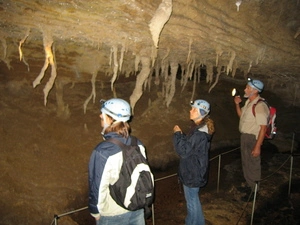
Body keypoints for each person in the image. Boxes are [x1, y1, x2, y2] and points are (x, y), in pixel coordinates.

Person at [88, 98, 146, 225]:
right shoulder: (137, 143)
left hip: (113, 215)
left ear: (110, 119)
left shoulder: (103, 151)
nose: (100, 115)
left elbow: (97, 185)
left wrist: (95, 211)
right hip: (137, 206)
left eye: (103, 114)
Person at [173, 99, 215, 225]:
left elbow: (183, 151)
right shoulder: (198, 128)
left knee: (192, 201)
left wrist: (177, 134)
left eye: (194, 109)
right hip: (194, 169)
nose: (190, 111)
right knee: (193, 199)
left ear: (201, 112)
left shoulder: (200, 133)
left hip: (193, 171)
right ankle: (193, 222)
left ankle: (194, 223)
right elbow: (191, 147)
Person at [233, 78, 269, 199]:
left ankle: (255, 192)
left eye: (247, 88)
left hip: (253, 138)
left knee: (253, 164)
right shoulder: (249, 103)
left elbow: (263, 128)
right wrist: (237, 104)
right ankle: (249, 185)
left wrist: (258, 146)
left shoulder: (260, 106)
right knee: (246, 162)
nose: (245, 89)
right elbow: (240, 115)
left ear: (254, 91)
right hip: (245, 136)